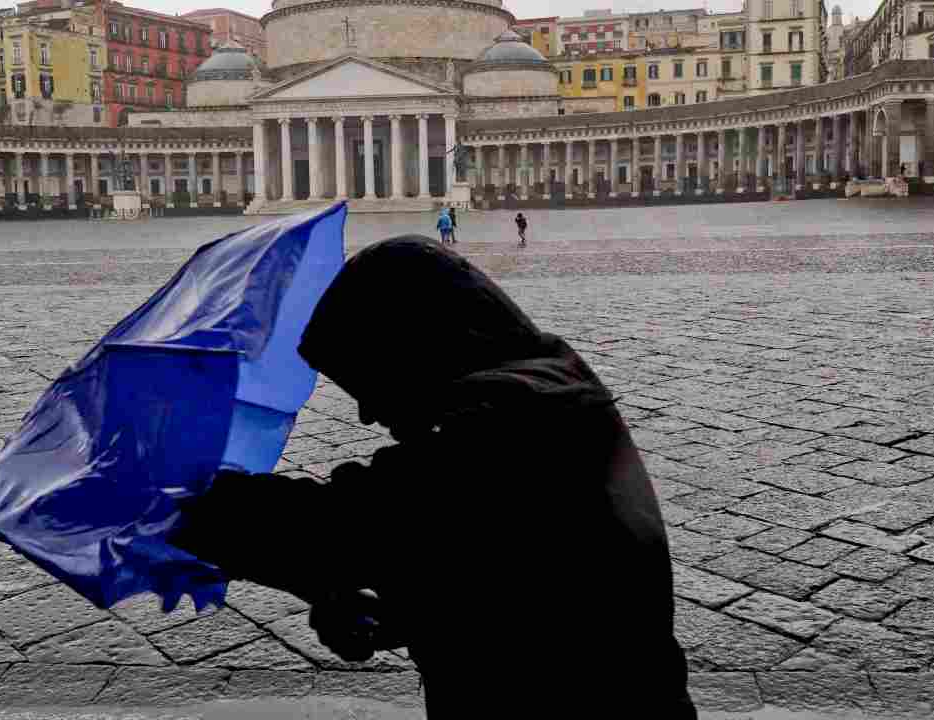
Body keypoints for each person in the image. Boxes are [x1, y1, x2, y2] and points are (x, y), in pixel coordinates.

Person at [172, 237, 696, 719]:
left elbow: (339, 527)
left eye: (367, 375)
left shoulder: (506, 427)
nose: (368, 412)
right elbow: (520, 576)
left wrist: (162, 490)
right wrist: (408, 613)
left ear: (415, 345)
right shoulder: (556, 389)